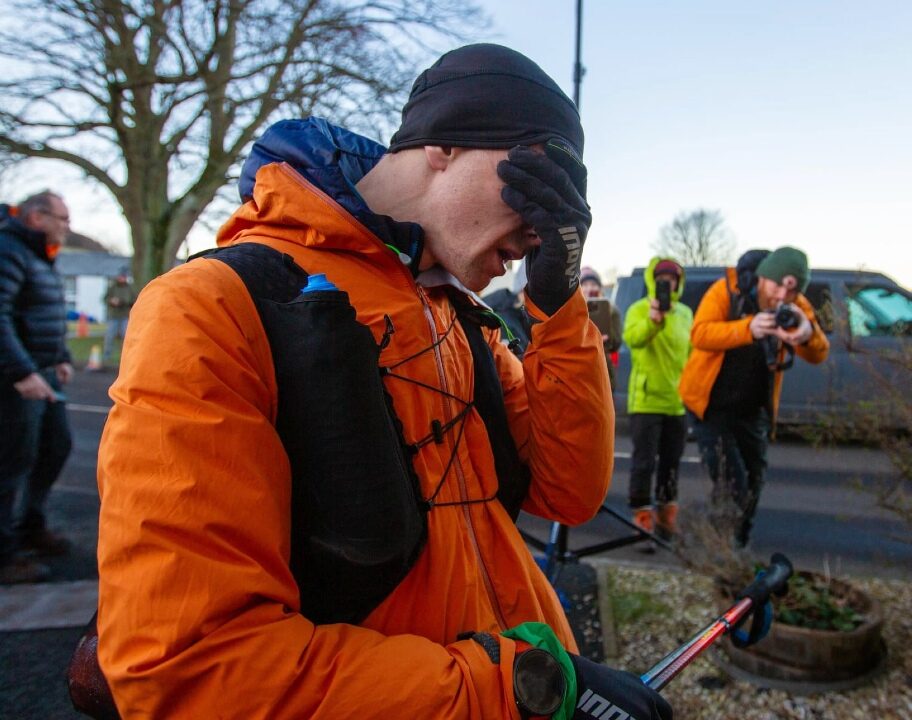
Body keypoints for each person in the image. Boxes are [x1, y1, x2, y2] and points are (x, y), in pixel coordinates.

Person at [94, 45, 672, 720]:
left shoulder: (462, 319)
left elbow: (569, 492)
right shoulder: (214, 306)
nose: (551, 225)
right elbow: (188, 671)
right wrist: (517, 690)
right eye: (544, 181)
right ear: (444, 146)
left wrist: (561, 305)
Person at [679, 247, 829, 546]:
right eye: (776, 285)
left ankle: (738, 546)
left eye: (791, 289)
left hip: (753, 410)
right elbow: (700, 334)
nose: (780, 296)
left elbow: (819, 353)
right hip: (711, 406)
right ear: (763, 277)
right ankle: (721, 553)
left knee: (754, 483)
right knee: (732, 485)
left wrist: (806, 333)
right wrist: (749, 327)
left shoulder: (794, 305)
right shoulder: (727, 290)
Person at [0, 191, 74, 584]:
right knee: (12, 463)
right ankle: (4, 554)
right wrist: (21, 372)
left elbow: (45, 311)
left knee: (54, 447)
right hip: (17, 379)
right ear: (36, 216)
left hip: (44, 373)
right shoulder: (8, 250)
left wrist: (61, 355)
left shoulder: (40, 255)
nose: (66, 226)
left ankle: (31, 525)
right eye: (61, 218)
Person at [622, 257, 692, 541]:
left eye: (672, 279)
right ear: (654, 281)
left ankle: (665, 519)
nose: (667, 283)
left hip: (676, 401)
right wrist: (653, 322)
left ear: (678, 282)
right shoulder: (639, 309)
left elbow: (692, 352)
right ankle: (642, 518)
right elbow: (632, 339)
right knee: (644, 462)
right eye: (662, 279)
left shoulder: (686, 313)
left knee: (671, 463)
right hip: (646, 401)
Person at [580, 266, 622, 387]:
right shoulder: (572, 310)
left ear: (599, 288)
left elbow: (617, 342)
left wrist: (607, 340)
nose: (589, 288)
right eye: (585, 284)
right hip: (580, 370)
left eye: (593, 284)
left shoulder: (611, 310)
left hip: (603, 369)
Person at [102, 270, 137, 363]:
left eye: (124, 276)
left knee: (125, 338)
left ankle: (125, 358)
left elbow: (134, 300)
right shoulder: (112, 287)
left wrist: (124, 302)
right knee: (109, 336)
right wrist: (111, 301)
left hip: (125, 316)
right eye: (121, 276)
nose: (122, 278)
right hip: (113, 316)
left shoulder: (130, 288)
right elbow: (105, 299)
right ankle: (107, 356)